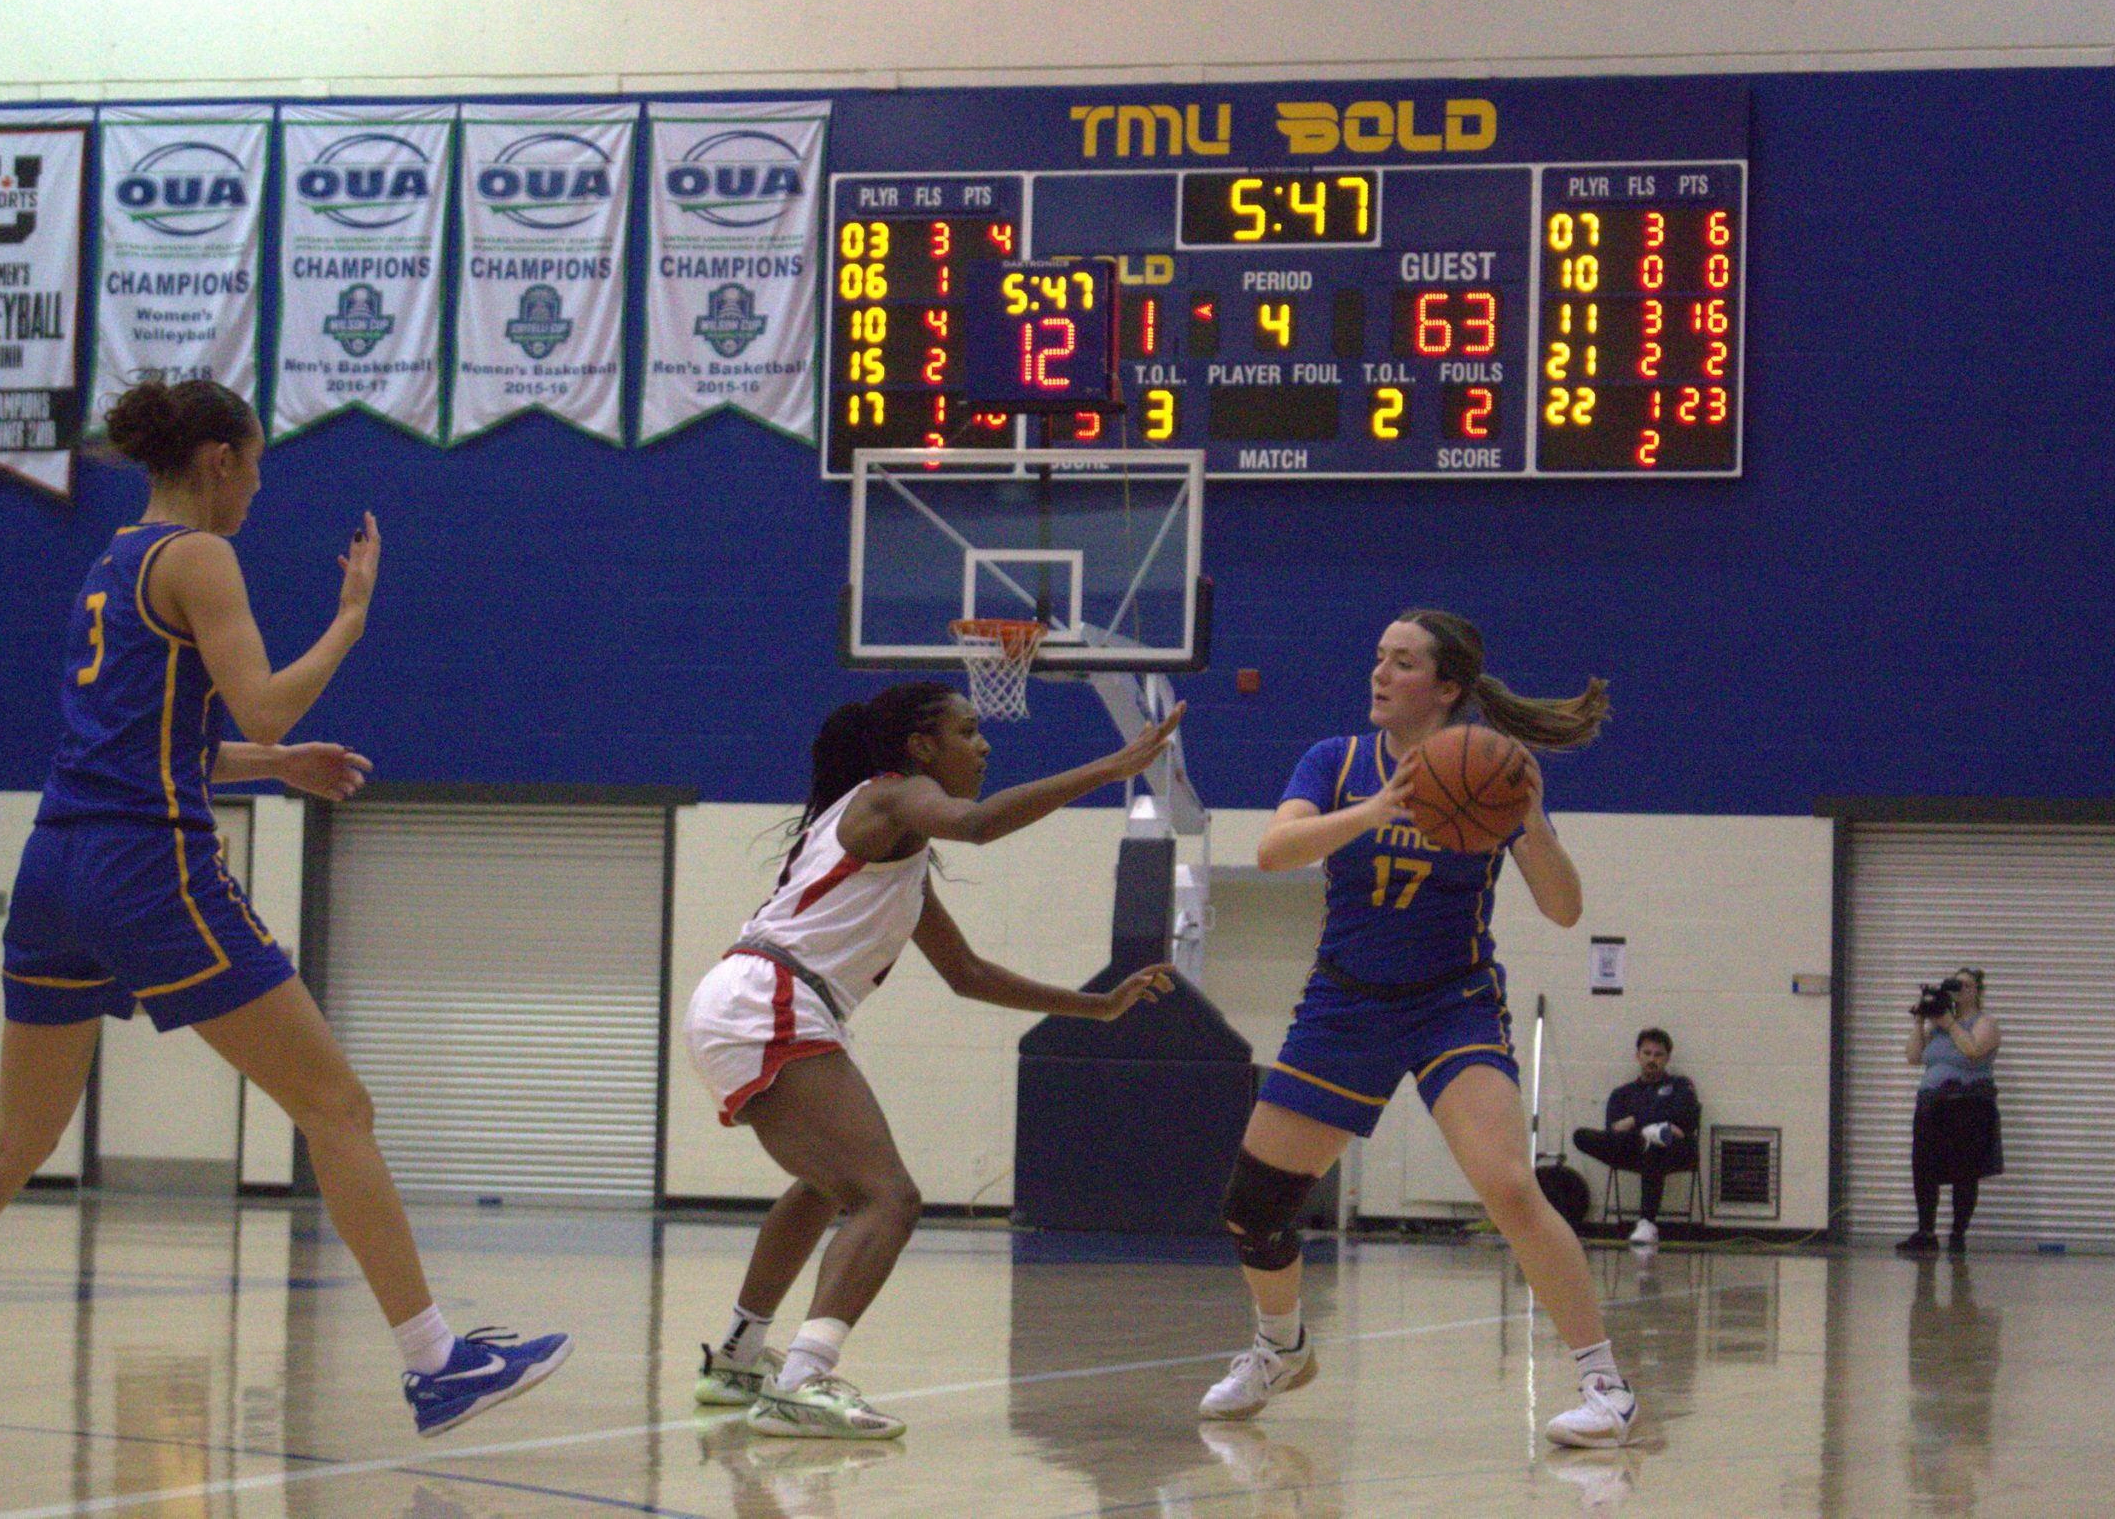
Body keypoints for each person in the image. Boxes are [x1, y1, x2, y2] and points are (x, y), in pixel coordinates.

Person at [0, 379, 568, 1444]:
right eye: (254, 466)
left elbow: (167, 735)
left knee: (15, 1134)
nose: (255, 488)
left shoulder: (111, 562)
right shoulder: (201, 555)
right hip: (146, 865)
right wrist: (346, 624)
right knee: (337, 1106)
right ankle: (437, 1361)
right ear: (216, 460)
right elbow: (262, 698)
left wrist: (273, 765)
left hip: (55, 859)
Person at [686, 683, 1183, 1441]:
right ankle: (803, 1381)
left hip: (753, 999)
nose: (984, 746)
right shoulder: (891, 796)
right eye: (968, 731)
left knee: (828, 1186)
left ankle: (738, 1356)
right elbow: (980, 824)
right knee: (889, 1198)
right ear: (921, 748)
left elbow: (968, 975)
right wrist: (1112, 769)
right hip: (770, 998)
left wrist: (1099, 1005)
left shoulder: (894, 849)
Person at [1197, 609, 1640, 1449]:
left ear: (1446, 689)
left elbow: (1565, 906)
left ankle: (1605, 1383)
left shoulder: (1492, 770)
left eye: (1400, 664)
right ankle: (1281, 1346)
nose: (1379, 674)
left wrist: (1531, 821)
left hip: (1451, 1002)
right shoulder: (1336, 761)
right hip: (1346, 1000)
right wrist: (1374, 811)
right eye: (1378, 658)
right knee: (1253, 1208)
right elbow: (1273, 851)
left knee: (1509, 1187)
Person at [1899, 968, 2001, 1254]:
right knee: (1924, 1169)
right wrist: (1920, 1023)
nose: (1958, 990)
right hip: (1932, 1105)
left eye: (1965, 985)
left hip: (1967, 1106)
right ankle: (1925, 1232)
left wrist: (1951, 1023)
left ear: (1977, 991)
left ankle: (1958, 1233)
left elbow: (1972, 1051)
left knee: (1964, 1173)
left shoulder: (1985, 1023)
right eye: (1955, 984)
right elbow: (1913, 1056)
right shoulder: (1939, 1026)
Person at [1570, 1027, 1702, 1248]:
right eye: (1647, 1053)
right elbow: (1613, 1129)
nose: (1652, 1059)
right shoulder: (1622, 1093)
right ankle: (1647, 1137)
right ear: (1638, 1055)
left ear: (1667, 1058)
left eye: (1658, 1054)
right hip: (1630, 1148)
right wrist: (1656, 1124)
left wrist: (1634, 1120)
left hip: (1674, 1151)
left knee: (1655, 1144)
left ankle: (1647, 1223)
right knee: (1581, 1136)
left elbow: (1685, 1119)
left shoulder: (1680, 1086)